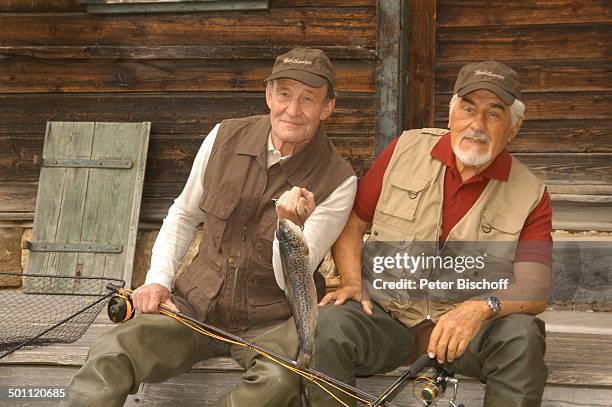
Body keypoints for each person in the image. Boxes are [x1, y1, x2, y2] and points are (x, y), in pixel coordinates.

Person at [243, 61, 553, 407]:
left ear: (514, 126)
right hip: (387, 318)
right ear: (451, 114)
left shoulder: (531, 193)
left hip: (468, 333)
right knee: (326, 326)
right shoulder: (406, 149)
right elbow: (355, 219)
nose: (476, 125)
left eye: (494, 114)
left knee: (523, 336)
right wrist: (351, 281)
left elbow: (535, 288)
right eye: (468, 109)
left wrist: (479, 308)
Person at [62, 47, 356, 407]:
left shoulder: (340, 181)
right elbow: (184, 214)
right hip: (195, 308)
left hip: (273, 322)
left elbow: (293, 276)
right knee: (112, 352)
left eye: (308, 99)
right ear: (268, 95)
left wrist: (288, 226)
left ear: (328, 107)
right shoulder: (223, 137)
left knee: (280, 380)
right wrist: (158, 280)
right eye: (284, 94)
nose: (292, 110)